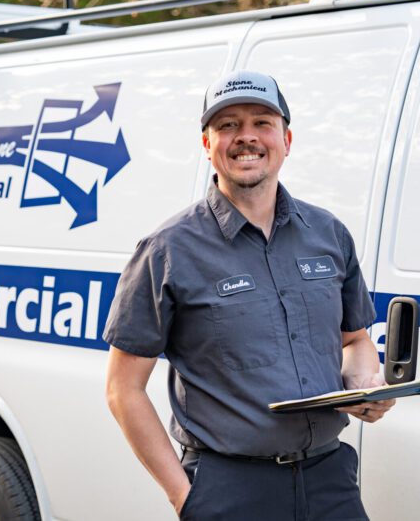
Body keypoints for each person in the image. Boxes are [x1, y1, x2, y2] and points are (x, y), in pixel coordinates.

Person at [103, 70, 394, 520]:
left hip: (329, 481)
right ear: (207, 145)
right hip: (230, 489)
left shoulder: (329, 234)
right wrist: (185, 497)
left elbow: (355, 340)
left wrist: (363, 385)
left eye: (262, 122)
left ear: (286, 139)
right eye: (228, 126)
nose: (247, 137)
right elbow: (123, 389)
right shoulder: (168, 250)